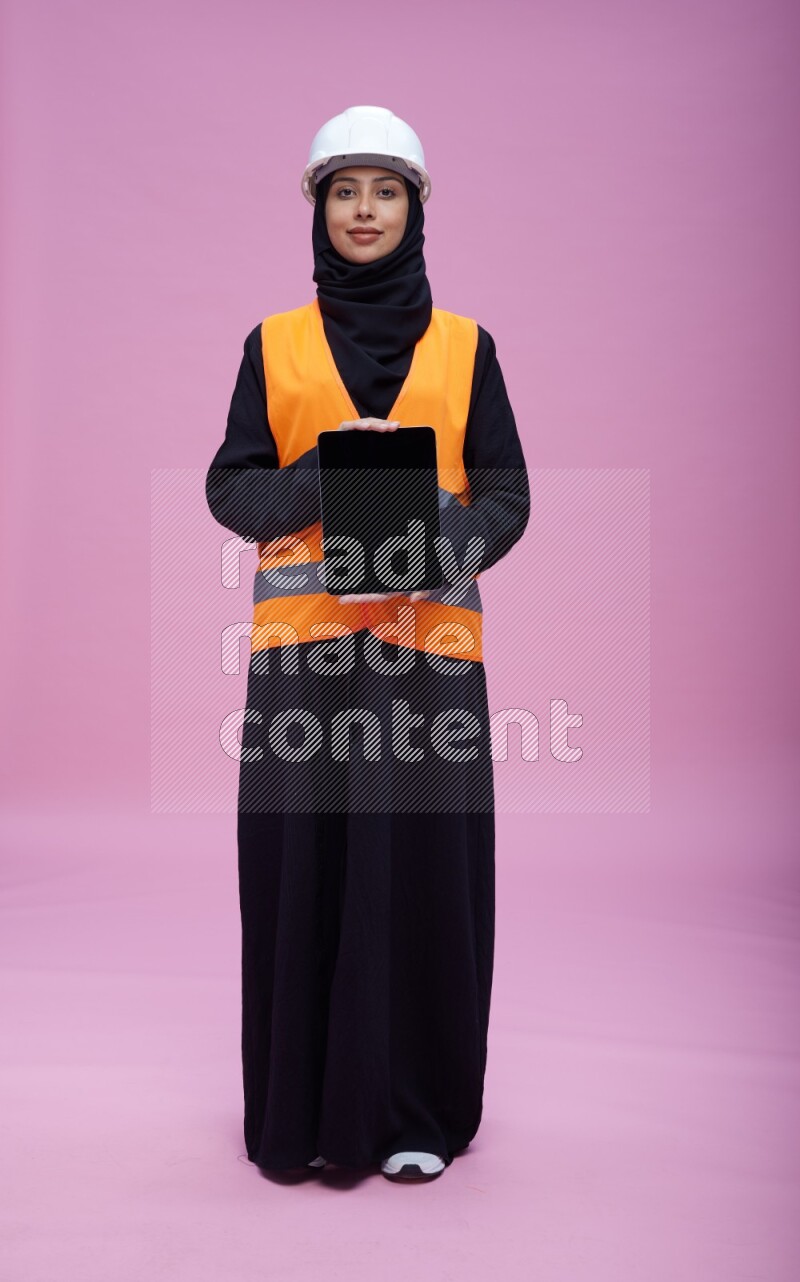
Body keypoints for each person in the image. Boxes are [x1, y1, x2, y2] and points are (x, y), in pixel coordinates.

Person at [205, 105, 530, 1181]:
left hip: (427, 658)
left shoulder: (467, 348)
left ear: (415, 208)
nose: (363, 210)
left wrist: (446, 539)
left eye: (384, 191)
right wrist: (327, 477)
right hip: (305, 659)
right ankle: (299, 1115)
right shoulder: (274, 344)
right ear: (317, 206)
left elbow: (506, 493)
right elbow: (231, 486)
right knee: (306, 871)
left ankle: (414, 1115)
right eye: (344, 190)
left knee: (421, 877)